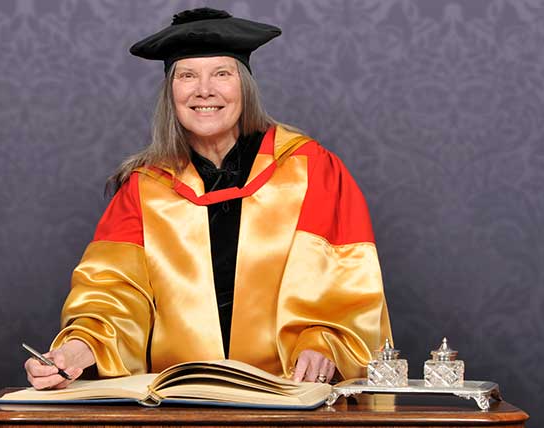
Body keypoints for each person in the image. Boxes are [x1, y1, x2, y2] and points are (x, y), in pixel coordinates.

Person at [24, 7, 392, 390]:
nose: (204, 90)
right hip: (179, 401)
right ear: (171, 92)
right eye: (187, 75)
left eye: (221, 73)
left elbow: (345, 288)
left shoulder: (311, 170)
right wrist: (77, 350)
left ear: (244, 85)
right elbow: (114, 295)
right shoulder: (146, 187)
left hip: (286, 396)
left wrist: (325, 344)